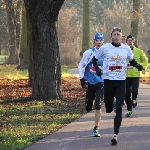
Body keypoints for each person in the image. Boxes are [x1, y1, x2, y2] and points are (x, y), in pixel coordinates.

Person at [92, 27, 144, 145]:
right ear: (112, 36)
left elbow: (132, 60)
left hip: (121, 81)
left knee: (119, 108)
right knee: (109, 108)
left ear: (121, 37)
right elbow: (95, 59)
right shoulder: (105, 48)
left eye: (118, 34)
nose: (116, 36)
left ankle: (115, 135)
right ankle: (112, 104)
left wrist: (139, 67)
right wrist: (98, 69)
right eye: (114, 34)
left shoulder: (126, 48)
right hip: (108, 81)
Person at [78, 33, 104, 137]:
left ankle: (96, 128)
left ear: (103, 42)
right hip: (90, 82)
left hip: (101, 83)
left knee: (98, 105)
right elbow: (80, 65)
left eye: (100, 40)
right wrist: (81, 78)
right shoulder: (88, 53)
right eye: (97, 40)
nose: (98, 42)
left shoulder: (106, 53)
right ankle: (89, 106)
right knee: (89, 108)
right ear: (94, 42)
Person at [125, 35, 148, 117]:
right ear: (126, 41)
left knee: (134, 91)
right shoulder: (123, 51)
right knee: (126, 95)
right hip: (125, 76)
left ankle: (134, 99)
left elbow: (145, 60)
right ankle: (129, 110)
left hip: (135, 76)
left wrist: (143, 68)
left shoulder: (139, 51)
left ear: (133, 42)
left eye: (131, 40)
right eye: (128, 40)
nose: (130, 42)